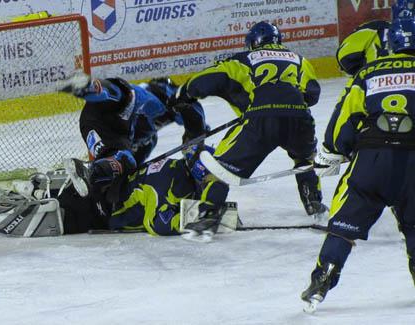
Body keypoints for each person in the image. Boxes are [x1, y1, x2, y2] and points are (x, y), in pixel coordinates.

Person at [300, 16, 415, 313]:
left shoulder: (369, 72)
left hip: (371, 162)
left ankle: (323, 275)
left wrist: (331, 153)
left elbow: (344, 119)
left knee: (343, 227)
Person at [173, 21, 325, 241]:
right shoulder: (299, 59)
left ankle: (208, 216)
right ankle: (314, 203)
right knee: (305, 158)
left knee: (218, 167)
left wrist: (184, 93)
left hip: (261, 120)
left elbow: (206, 80)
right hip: (300, 119)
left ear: (252, 42)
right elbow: (313, 94)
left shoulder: (242, 59)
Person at [0, 152, 236, 237]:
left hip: (95, 200)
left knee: (34, 207)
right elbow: (159, 223)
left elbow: (159, 221)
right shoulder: (176, 182)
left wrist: (219, 215)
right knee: (22, 216)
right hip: (96, 205)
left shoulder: (176, 168)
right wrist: (216, 216)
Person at [59, 73, 206, 204]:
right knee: (124, 95)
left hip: (98, 127)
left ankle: (89, 177)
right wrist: (196, 142)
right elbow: (194, 117)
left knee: (124, 163)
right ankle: (89, 87)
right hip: (108, 112)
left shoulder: (148, 140)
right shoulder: (161, 95)